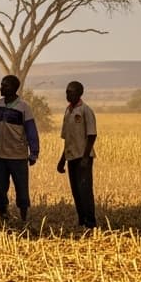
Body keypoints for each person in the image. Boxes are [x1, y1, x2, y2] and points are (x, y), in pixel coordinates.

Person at [0, 74, 39, 223]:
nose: (1, 88)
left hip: (18, 156)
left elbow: (31, 131)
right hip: (1, 155)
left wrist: (34, 153)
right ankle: (3, 214)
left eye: (5, 85)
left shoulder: (24, 108)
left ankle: (24, 218)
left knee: (22, 189)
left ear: (14, 88)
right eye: (1, 84)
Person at [57, 80, 98, 228]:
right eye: (67, 91)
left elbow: (92, 135)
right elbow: (67, 139)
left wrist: (86, 157)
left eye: (71, 92)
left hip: (83, 157)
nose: (68, 94)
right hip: (71, 157)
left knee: (85, 190)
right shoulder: (68, 111)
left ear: (79, 93)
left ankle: (91, 222)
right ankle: (82, 221)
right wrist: (62, 160)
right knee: (76, 191)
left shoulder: (86, 110)